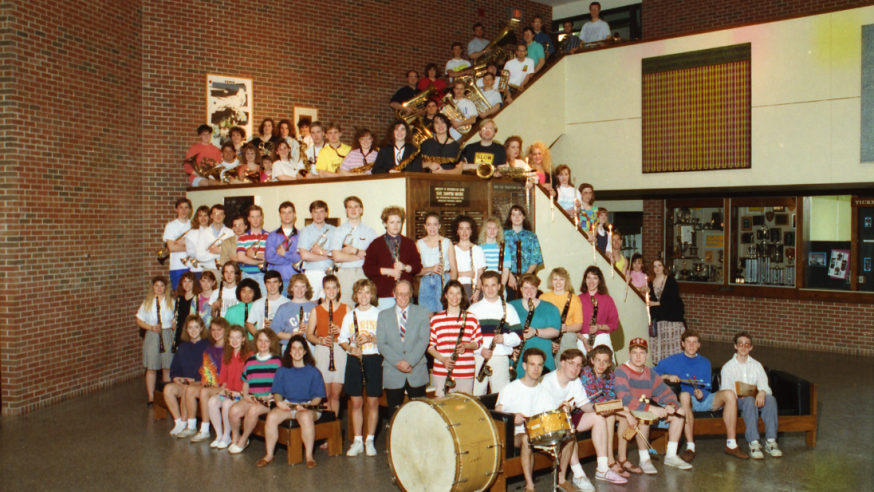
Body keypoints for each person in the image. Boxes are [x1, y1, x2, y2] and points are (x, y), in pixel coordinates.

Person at [656, 329, 749, 462]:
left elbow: (708, 387)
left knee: (729, 394)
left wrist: (702, 394)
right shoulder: (671, 361)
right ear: (682, 343)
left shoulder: (705, 362)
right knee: (684, 395)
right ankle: (690, 447)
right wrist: (666, 376)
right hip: (685, 402)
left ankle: (732, 444)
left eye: (695, 342)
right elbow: (651, 373)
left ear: (699, 345)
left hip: (703, 400)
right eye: (688, 342)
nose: (691, 345)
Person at [541, 349, 627, 490]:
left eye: (579, 365)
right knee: (569, 427)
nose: (575, 369)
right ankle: (578, 474)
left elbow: (585, 405)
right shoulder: (547, 381)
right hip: (551, 422)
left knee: (599, 418)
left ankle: (603, 468)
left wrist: (599, 409)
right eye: (571, 364)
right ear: (562, 363)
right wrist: (560, 409)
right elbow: (543, 412)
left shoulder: (575, 381)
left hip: (568, 417)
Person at [614, 338, 691, 473]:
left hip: (647, 411)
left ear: (647, 355)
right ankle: (644, 459)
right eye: (634, 353)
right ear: (629, 354)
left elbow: (666, 392)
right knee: (644, 419)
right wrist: (651, 408)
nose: (638, 356)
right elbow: (624, 398)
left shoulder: (650, 373)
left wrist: (671, 405)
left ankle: (671, 456)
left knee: (679, 415)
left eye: (642, 353)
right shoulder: (621, 370)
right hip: (627, 415)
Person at [258, 334, 326, 468]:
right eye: (294, 348)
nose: (297, 352)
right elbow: (277, 392)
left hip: (309, 406)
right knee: (271, 417)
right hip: (289, 405)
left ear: (305, 351)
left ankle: (309, 456)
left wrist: (308, 405)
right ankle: (269, 454)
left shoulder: (314, 372)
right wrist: (279, 403)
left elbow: (318, 396)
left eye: (300, 348)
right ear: (289, 351)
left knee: (305, 418)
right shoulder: (282, 370)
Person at [495, 347, 554, 492]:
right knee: (527, 439)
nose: (536, 369)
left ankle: (564, 479)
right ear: (524, 366)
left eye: (539, 365)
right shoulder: (511, 388)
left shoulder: (545, 392)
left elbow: (550, 417)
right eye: (532, 364)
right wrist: (512, 417)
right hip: (515, 434)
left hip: (538, 433)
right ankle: (530, 485)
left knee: (567, 434)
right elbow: (497, 412)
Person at [720, 331, 782, 460]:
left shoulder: (757, 365)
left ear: (751, 347)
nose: (743, 347)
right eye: (740, 344)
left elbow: (765, 386)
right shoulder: (728, 367)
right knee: (748, 400)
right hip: (738, 401)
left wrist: (762, 392)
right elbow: (725, 391)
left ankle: (771, 441)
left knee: (770, 399)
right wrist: (737, 394)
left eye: (747, 344)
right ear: (735, 346)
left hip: (754, 399)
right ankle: (754, 443)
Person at [580, 345, 639, 478]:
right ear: (592, 360)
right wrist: (626, 412)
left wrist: (625, 413)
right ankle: (610, 461)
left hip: (605, 407)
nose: (601, 364)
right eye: (598, 360)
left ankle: (622, 458)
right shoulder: (587, 373)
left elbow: (611, 398)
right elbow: (598, 402)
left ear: (609, 363)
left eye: (605, 361)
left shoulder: (610, 375)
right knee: (612, 416)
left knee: (622, 417)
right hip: (587, 411)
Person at [339, 279, 382, 457]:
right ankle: (357, 441)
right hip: (355, 360)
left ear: (372, 294)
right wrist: (350, 348)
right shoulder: (350, 315)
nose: (363, 296)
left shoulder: (380, 314)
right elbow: (342, 339)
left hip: (373, 358)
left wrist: (371, 339)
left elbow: (387, 340)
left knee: (372, 402)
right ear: (356, 295)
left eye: (367, 292)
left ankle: (369, 440)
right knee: (356, 403)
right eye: (360, 292)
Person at [376, 280, 430, 418]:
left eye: (406, 294)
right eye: (400, 294)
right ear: (394, 294)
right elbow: (382, 343)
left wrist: (409, 362)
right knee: (394, 415)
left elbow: (423, 340)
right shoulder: (383, 315)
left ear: (411, 294)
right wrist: (399, 362)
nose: (403, 297)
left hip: (416, 370)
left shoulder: (422, 312)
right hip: (393, 371)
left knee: (420, 415)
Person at [227, 328, 282, 454]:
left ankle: (243, 440)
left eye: (266, 341)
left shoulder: (277, 361)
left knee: (253, 410)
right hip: (252, 397)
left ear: (271, 343)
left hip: (269, 400)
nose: (263, 344)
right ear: (256, 342)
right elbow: (246, 381)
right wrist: (245, 395)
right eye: (260, 340)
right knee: (233, 411)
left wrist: (270, 396)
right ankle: (235, 437)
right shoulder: (250, 360)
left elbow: (281, 384)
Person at [469, 270, 521, 396]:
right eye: (486, 285)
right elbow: (468, 339)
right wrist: (479, 350)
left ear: (499, 286)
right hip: (479, 358)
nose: (490, 289)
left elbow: (518, 337)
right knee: (476, 396)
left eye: (493, 285)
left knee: (501, 396)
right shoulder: (473, 309)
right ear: (482, 287)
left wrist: (504, 339)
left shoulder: (508, 308)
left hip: (500, 358)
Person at [428, 280, 482, 396]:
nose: (454, 297)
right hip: (442, 371)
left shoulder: (471, 318)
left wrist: (466, 345)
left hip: (465, 372)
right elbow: (430, 346)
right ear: (445, 295)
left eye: (458, 293)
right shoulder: (436, 320)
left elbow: (478, 342)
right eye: (451, 293)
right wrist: (443, 360)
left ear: (462, 296)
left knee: (464, 409)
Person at [176, 317, 227, 440]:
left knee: (204, 391)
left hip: (223, 385)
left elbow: (229, 373)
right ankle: (191, 426)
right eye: (213, 330)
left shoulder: (229, 349)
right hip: (211, 383)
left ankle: (204, 429)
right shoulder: (209, 349)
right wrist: (205, 382)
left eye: (219, 330)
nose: (216, 333)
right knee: (188, 389)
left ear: (225, 331)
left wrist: (214, 385)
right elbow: (205, 371)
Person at [363, 206, 422, 309]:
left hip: (405, 294)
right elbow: (367, 269)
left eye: (398, 222)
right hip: (384, 295)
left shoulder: (409, 243)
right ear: (385, 223)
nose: (395, 225)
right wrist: (388, 271)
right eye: (392, 222)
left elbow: (418, 266)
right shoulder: (376, 244)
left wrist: (405, 267)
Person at [206, 324, 251, 449]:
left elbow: (251, 380)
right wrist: (224, 389)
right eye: (231, 338)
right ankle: (219, 435)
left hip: (242, 395)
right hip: (230, 392)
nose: (234, 341)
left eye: (238, 337)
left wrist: (241, 393)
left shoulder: (249, 356)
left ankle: (227, 436)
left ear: (243, 339)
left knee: (226, 405)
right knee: (212, 401)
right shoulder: (227, 355)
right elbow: (224, 380)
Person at [329, 196, 379, 304]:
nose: (353, 210)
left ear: (361, 210)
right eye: (349, 207)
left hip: (363, 272)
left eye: (356, 207)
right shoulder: (339, 231)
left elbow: (375, 257)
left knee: (366, 307)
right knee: (345, 307)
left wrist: (354, 250)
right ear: (346, 210)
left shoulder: (370, 232)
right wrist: (362, 254)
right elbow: (337, 257)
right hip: (345, 274)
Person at [165, 315, 209, 436]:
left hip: (199, 382)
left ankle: (185, 423)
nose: (193, 330)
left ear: (201, 328)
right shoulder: (183, 346)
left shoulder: (207, 346)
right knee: (168, 389)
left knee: (186, 388)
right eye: (190, 328)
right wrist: (176, 377)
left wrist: (194, 380)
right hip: (184, 382)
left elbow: (208, 371)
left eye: (196, 327)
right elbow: (175, 367)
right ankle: (178, 422)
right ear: (186, 330)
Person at [135, 276, 176, 405]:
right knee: (152, 368)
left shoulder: (171, 301)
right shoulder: (147, 302)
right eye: (156, 285)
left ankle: (166, 396)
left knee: (167, 368)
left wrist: (174, 326)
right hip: (153, 334)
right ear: (152, 287)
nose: (159, 288)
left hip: (167, 333)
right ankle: (151, 397)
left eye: (162, 285)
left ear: (165, 287)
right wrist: (150, 327)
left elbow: (175, 319)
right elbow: (139, 320)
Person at [510, 273, 559, 377]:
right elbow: (505, 331)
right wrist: (510, 348)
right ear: (520, 289)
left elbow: (555, 331)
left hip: (543, 354)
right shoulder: (511, 306)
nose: (529, 291)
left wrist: (535, 332)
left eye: (532, 288)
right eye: (525, 288)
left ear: (537, 289)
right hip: (519, 356)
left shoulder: (549, 307)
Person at [415, 212, 457, 314]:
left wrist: (451, 288)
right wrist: (430, 268)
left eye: (435, 224)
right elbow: (416, 271)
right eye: (429, 224)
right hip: (426, 281)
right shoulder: (419, 244)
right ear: (425, 226)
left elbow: (454, 269)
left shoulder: (447, 242)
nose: (432, 227)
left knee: (443, 314)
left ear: (439, 226)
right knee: (426, 316)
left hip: (443, 280)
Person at [541, 267, 583, 366]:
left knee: (568, 366)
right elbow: (541, 322)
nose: (558, 282)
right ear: (551, 281)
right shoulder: (543, 298)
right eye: (555, 279)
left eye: (561, 279)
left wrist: (565, 328)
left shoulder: (574, 299)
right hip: (549, 337)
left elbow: (579, 325)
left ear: (566, 281)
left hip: (567, 336)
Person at [647, 258, 686, 363]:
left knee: (672, 347)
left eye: (659, 265)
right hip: (659, 319)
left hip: (672, 318)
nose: (657, 268)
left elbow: (673, 300)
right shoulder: (650, 283)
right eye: (655, 266)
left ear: (663, 267)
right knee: (661, 347)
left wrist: (656, 303)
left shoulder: (670, 281)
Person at [503, 205, 543, 300]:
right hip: (509, 278)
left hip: (527, 278)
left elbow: (535, 259)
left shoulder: (531, 236)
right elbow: (501, 258)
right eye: (514, 215)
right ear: (510, 217)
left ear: (524, 217)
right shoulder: (503, 235)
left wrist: (525, 277)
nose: (516, 217)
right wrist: (509, 275)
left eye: (519, 214)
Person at [577, 266, 619, 355]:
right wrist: (584, 340)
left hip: (601, 338)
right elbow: (573, 325)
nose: (591, 282)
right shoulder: (578, 299)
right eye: (588, 278)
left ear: (599, 280)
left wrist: (599, 327)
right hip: (583, 339)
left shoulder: (608, 300)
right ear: (585, 280)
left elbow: (614, 324)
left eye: (595, 278)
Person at [297, 200, 335, 298]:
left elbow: (337, 253)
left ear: (326, 213)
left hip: (329, 272)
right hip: (311, 272)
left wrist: (319, 251)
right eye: (315, 212)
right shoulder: (305, 231)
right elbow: (304, 255)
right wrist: (328, 255)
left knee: (328, 304)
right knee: (311, 304)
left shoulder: (334, 230)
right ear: (311, 214)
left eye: (321, 211)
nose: (318, 215)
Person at [271, 273, 317, 349]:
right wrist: (291, 335)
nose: (299, 290)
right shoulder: (284, 308)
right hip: (289, 345)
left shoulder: (315, 307)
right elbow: (275, 331)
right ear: (291, 288)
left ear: (306, 288)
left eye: (302, 286)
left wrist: (311, 329)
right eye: (296, 286)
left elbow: (323, 331)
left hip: (310, 345)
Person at [264, 201, 301, 291]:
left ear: (294, 214)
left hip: (296, 280)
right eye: (283, 213)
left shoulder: (301, 235)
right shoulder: (272, 235)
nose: (286, 215)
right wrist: (291, 259)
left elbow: (299, 258)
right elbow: (269, 257)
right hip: (277, 281)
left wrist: (285, 254)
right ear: (280, 215)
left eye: (289, 212)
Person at [236, 204, 269, 296]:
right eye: (252, 217)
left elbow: (269, 256)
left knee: (264, 302)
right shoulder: (242, 238)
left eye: (257, 216)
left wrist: (253, 256)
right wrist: (259, 262)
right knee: (247, 302)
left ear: (262, 218)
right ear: (248, 219)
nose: (255, 219)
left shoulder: (269, 236)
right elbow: (241, 258)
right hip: (246, 275)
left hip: (263, 275)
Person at [245, 270, 289, 338]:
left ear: (280, 283)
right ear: (265, 284)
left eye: (275, 282)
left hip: (280, 342)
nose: (272, 286)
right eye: (269, 282)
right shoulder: (258, 303)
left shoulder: (287, 303)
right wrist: (259, 336)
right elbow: (249, 324)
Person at [453, 215, 486, 302]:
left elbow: (480, 273)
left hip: (474, 288)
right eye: (461, 228)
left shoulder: (478, 250)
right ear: (457, 231)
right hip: (457, 289)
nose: (464, 232)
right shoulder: (452, 249)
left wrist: (477, 291)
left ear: (471, 231)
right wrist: (464, 274)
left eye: (467, 229)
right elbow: (448, 273)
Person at [196, 204, 232, 278]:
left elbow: (233, 254)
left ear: (224, 216)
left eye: (221, 214)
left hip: (227, 270)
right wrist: (222, 253)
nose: (218, 216)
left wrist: (218, 251)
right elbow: (199, 256)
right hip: (208, 270)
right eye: (215, 214)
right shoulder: (203, 233)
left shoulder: (230, 233)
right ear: (211, 216)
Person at [164, 197, 192, 289]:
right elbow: (171, 248)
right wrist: (190, 247)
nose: (183, 210)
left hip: (192, 266)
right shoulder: (171, 226)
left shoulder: (194, 225)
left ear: (190, 210)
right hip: (176, 266)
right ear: (176, 209)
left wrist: (182, 244)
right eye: (181, 207)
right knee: (178, 294)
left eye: (186, 207)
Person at [478, 217, 512, 290]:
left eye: (495, 228)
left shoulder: (504, 248)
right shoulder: (479, 248)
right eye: (489, 228)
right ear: (484, 230)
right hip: (485, 285)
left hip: (498, 285)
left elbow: (506, 270)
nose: (492, 230)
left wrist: (502, 286)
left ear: (498, 230)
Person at [172, 272, 200, 348]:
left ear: (194, 283)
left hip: (191, 333)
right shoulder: (179, 298)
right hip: (180, 332)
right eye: (184, 281)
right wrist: (174, 322)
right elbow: (177, 315)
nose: (187, 284)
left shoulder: (197, 298)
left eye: (190, 281)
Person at [185, 205, 209, 280]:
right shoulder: (192, 233)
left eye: (205, 215)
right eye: (200, 215)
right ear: (197, 217)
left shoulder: (214, 232)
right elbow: (190, 252)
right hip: (196, 269)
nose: (203, 218)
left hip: (211, 268)